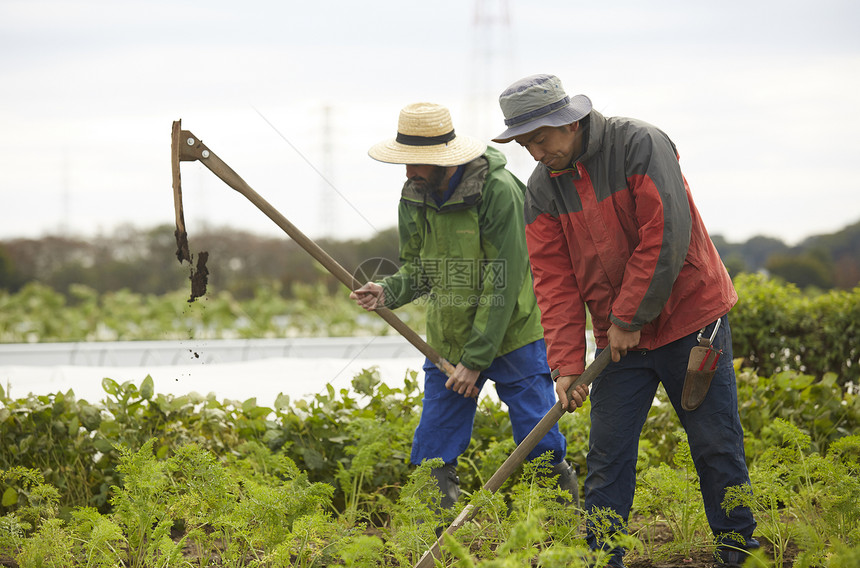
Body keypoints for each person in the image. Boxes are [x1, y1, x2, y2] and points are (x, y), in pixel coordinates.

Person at [492, 74, 759, 567]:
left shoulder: (640, 144)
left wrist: (631, 314)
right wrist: (567, 365)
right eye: (524, 143)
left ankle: (741, 552)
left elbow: (665, 234)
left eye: (539, 139)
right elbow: (554, 282)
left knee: (715, 443)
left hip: (691, 320)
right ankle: (602, 557)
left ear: (569, 123)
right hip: (618, 341)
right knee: (607, 455)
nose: (533, 152)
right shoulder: (541, 190)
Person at [350, 102, 585, 512]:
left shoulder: (499, 191)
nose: (408, 172)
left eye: (417, 162)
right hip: (449, 341)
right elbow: (420, 269)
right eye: (405, 162)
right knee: (433, 448)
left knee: (539, 441)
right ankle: (435, 542)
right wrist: (388, 292)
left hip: (514, 336)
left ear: (444, 159)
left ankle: (567, 530)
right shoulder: (414, 195)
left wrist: (476, 360)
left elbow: (504, 281)